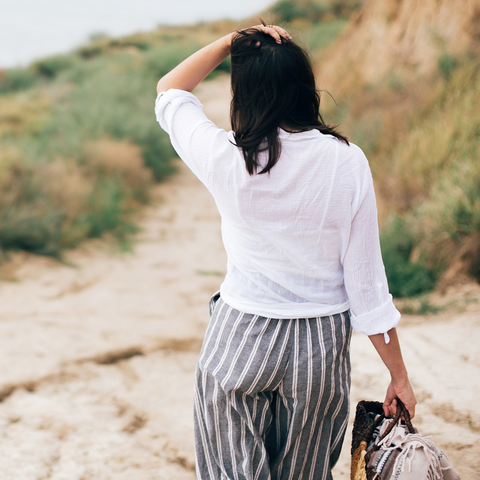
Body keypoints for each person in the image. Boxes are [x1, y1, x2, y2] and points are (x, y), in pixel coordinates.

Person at [155, 24, 416, 480]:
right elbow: (367, 286)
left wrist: (229, 42)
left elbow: (170, 90)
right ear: (304, 85)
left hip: (239, 336)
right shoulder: (347, 161)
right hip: (318, 347)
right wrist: (399, 376)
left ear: (246, 91)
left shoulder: (227, 157)